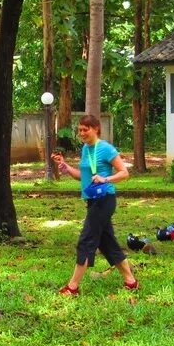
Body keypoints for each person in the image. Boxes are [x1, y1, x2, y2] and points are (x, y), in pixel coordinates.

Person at [50, 114, 138, 295]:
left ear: (96, 129)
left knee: (86, 240)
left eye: (85, 129)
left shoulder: (106, 148)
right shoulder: (85, 149)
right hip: (92, 200)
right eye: (80, 130)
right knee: (107, 243)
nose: (81, 133)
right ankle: (131, 281)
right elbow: (83, 176)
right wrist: (66, 167)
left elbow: (124, 173)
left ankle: (72, 287)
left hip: (104, 200)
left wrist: (105, 178)